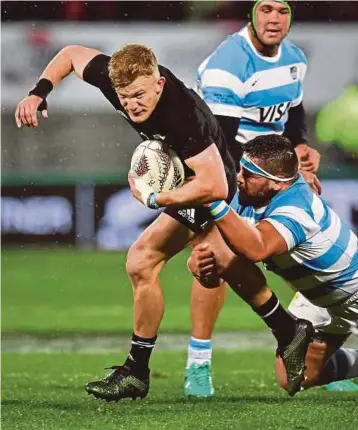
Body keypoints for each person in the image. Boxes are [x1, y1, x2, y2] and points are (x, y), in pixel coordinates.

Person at [15, 43, 312, 401]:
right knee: (215, 261)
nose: (132, 104)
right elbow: (71, 54)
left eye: (140, 94)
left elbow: (215, 185)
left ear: (158, 84)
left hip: (212, 181)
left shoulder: (181, 115)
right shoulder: (117, 77)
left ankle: (137, 371)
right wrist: (38, 93)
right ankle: (287, 328)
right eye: (124, 97)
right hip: (191, 178)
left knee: (145, 259)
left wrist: (155, 199)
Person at [185, 0, 322, 396]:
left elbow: (292, 113)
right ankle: (198, 366)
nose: (274, 19)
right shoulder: (231, 62)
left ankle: (317, 359)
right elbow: (219, 142)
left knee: (311, 256)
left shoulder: (294, 57)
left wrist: (300, 147)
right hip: (233, 176)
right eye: (266, 9)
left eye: (282, 10)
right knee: (212, 262)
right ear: (252, 14)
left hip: (270, 178)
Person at [188, 134, 358, 396]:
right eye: (241, 169)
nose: (239, 178)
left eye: (249, 174)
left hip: (354, 292)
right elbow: (219, 261)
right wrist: (199, 266)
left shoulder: (297, 208)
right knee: (294, 378)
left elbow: (256, 248)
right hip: (318, 299)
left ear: (277, 184)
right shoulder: (246, 197)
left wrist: (212, 201)